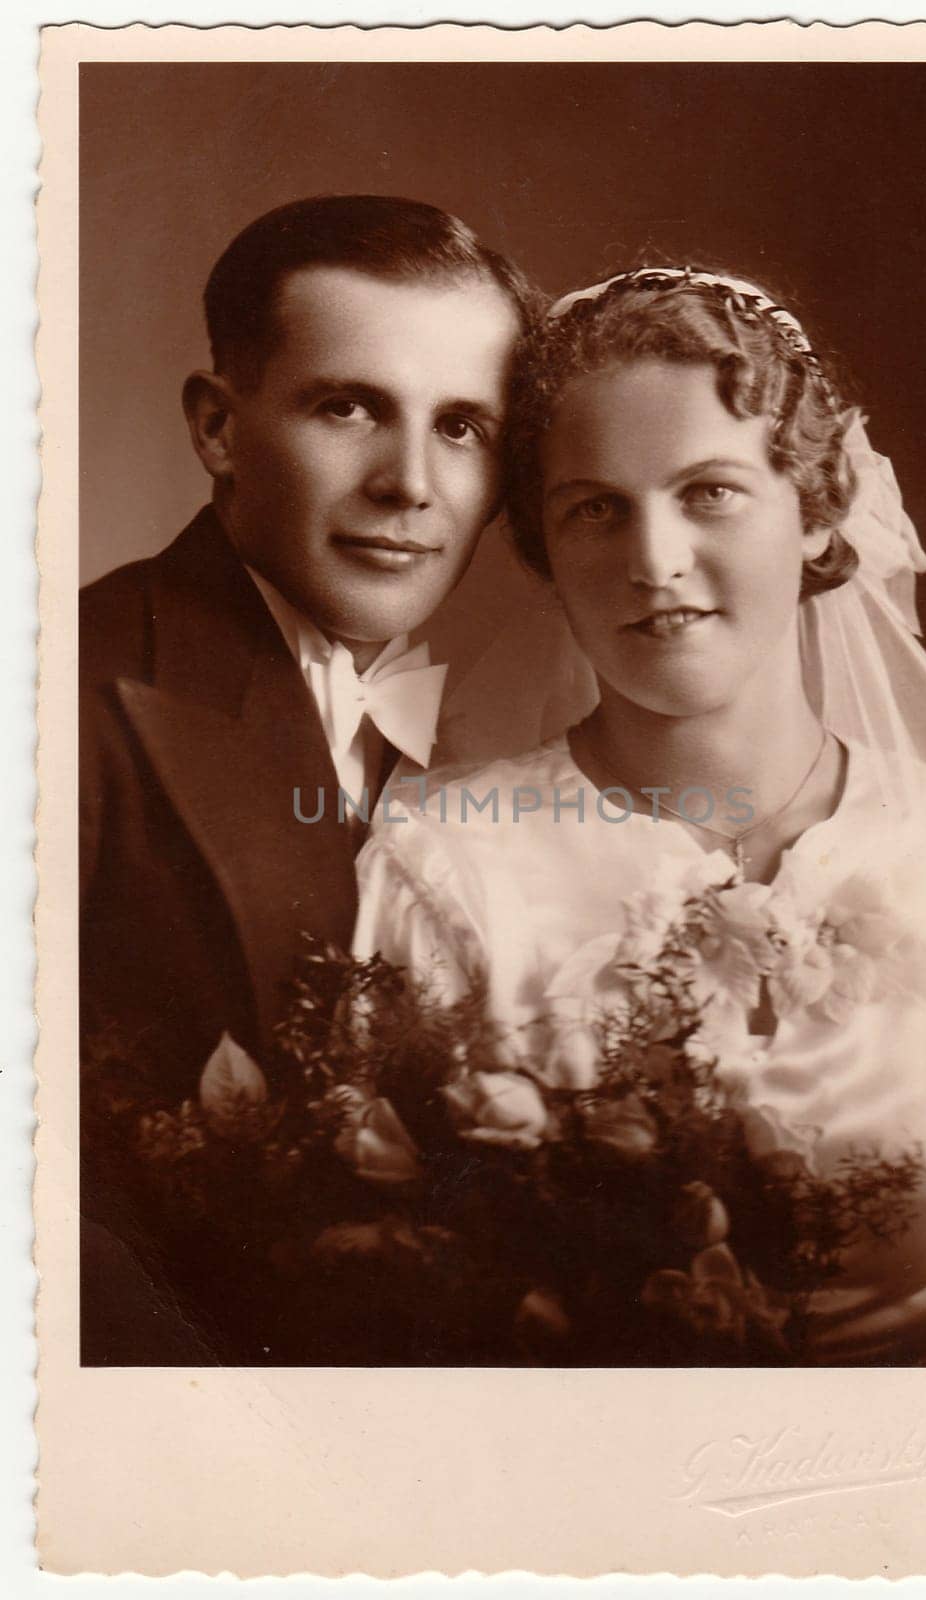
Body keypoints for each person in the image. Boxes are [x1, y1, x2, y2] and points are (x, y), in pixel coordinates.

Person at [355, 265, 926, 1366]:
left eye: (709, 491)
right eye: (595, 509)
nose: (652, 561)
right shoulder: (445, 860)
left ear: (817, 512)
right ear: (545, 551)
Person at [79, 194, 534, 1360]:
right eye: (348, 407)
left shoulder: (492, 728)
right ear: (219, 428)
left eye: (462, 428)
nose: (409, 484)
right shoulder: (62, 693)